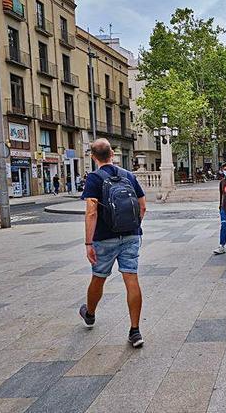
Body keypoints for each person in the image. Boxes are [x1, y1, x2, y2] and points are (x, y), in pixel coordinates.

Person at [78, 138, 147, 348]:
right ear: (112, 155)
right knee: (131, 279)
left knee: (98, 278)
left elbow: (91, 212)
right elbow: (142, 206)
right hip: (131, 235)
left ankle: (89, 314)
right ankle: (135, 331)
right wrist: (131, 226)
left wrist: (89, 243)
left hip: (104, 237)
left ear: (93, 157)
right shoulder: (129, 176)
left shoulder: (94, 179)